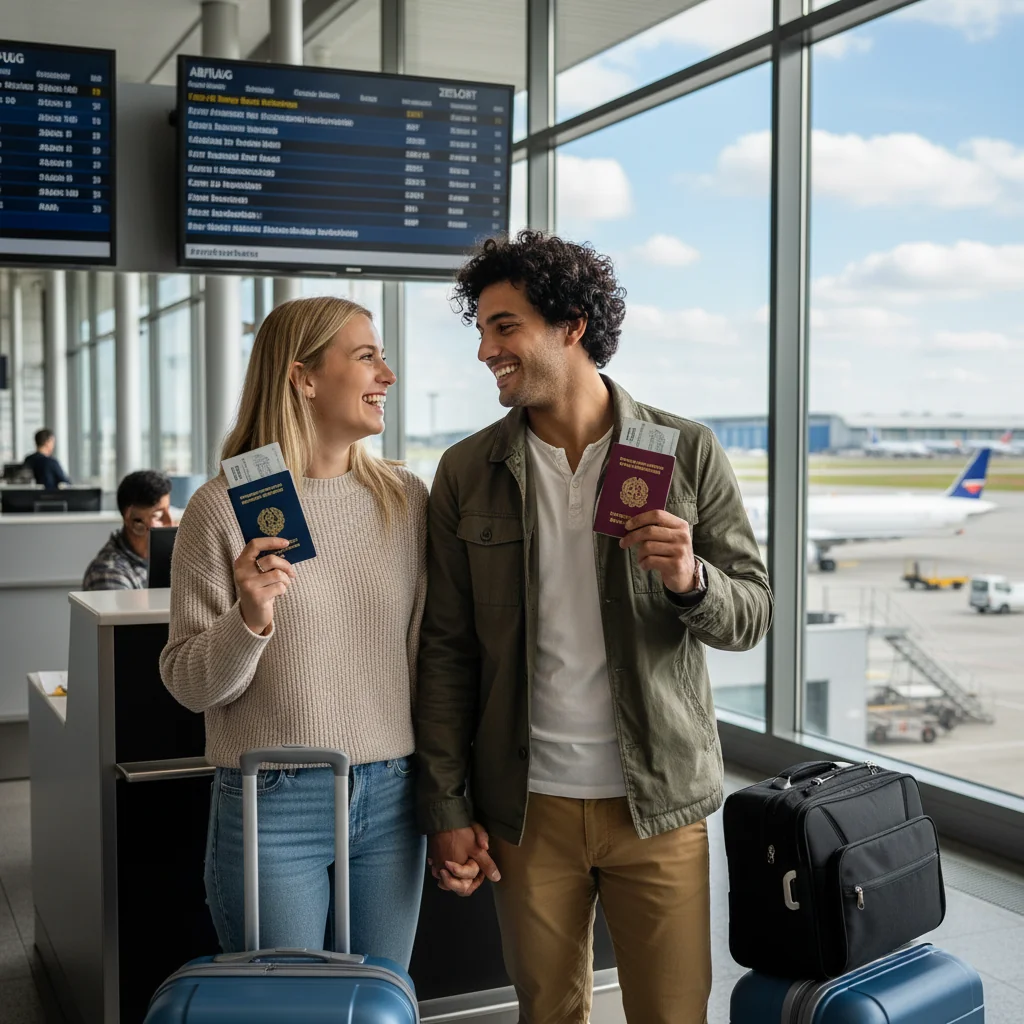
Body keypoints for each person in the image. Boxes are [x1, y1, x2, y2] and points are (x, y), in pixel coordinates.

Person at [415, 230, 774, 1024]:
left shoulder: (685, 451)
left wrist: (691, 580)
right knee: (549, 1012)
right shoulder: (468, 472)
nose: (484, 350)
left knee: (673, 1012)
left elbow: (752, 614)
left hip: (659, 800)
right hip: (527, 804)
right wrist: (446, 805)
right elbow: (445, 651)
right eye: (479, 328)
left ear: (571, 326)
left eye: (504, 326)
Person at [159, 297, 427, 967]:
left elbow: (431, 654)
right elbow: (190, 684)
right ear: (304, 378)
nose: (387, 376)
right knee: (288, 1008)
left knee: (383, 1001)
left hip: (394, 792)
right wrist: (249, 619)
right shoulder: (223, 507)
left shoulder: (404, 498)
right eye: (367, 356)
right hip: (273, 798)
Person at [82, 470, 173, 590]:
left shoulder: (160, 559)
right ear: (132, 520)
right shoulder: (109, 574)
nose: (170, 522)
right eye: (158, 515)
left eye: (168, 510)